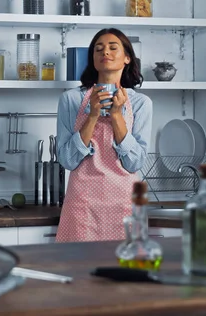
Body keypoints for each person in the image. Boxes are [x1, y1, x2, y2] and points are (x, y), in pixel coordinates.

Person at [55, 28, 152, 243]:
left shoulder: (140, 104)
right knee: (79, 269)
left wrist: (116, 116)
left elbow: (135, 162)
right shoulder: (70, 100)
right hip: (83, 204)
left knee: (125, 270)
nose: (104, 52)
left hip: (125, 203)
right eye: (98, 49)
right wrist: (92, 116)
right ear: (93, 59)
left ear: (127, 57)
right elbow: (67, 160)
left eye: (112, 47)